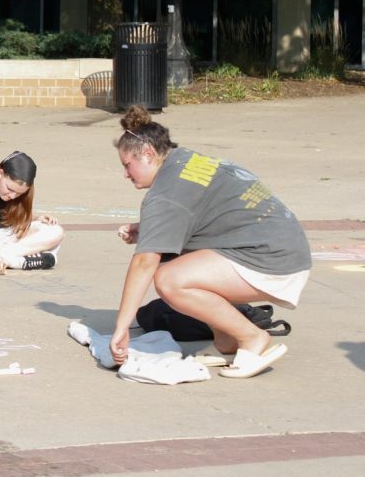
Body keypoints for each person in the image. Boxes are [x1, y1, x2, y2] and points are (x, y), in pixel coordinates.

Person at [109, 105, 311, 379]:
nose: (125, 174)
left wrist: (121, 327)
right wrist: (148, 229)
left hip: (273, 259)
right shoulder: (185, 160)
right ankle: (226, 340)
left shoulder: (164, 195)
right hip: (283, 245)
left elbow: (145, 262)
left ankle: (252, 337)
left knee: (170, 279)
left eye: (127, 165)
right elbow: (203, 213)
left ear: (147, 154)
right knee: (179, 257)